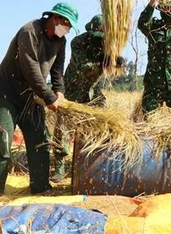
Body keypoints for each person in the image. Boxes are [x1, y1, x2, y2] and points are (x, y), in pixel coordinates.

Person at [0, 2, 78, 195]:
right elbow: (30, 68)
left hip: (32, 96)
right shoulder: (29, 31)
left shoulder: (60, 42)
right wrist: (48, 97)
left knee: (40, 141)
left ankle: (40, 187)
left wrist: (59, 92)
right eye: (67, 25)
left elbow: (57, 70)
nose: (68, 30)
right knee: (2, 143)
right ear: (55, 19)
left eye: (70, 27)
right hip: (7, 94)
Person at [51, 14, 125, 183]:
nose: (99, 40)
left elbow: (110, 70)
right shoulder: (78, 42)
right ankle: (60, 165)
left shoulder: (108, 44)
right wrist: (104, 62)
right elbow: (84, 67)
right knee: (62, 127)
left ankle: (92, 163)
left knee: (100, 124)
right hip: (73, 87)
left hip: (93, 91)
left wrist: (115, 62)